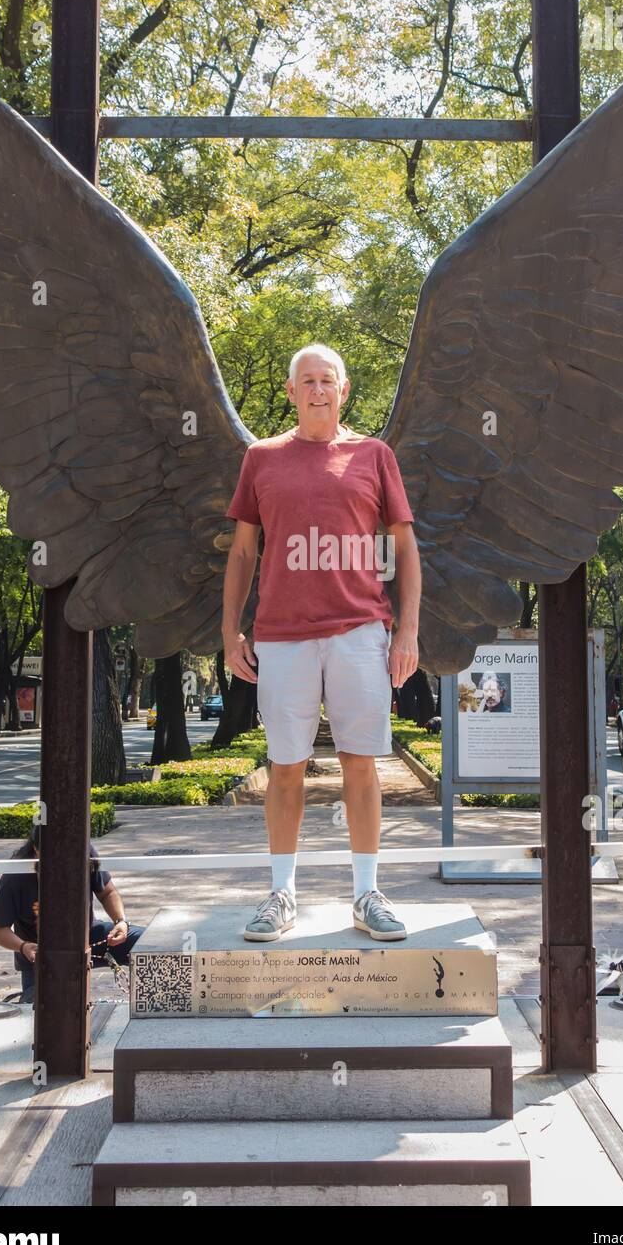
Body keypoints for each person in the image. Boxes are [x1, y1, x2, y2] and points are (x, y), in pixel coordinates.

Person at [223, 342, 421, 943]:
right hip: (281, 637)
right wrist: (229, 630)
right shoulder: (261, 458)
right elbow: (241, 552)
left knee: (362, 766)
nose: (317, 390)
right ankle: (280, 894)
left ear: (344, 389)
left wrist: (406, 630)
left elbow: (405, 549)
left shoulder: (374, 455)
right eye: (306, 381)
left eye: (326, 380)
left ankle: (367, 895)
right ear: (290, 392)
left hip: (361, 632)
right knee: (286, 768)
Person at [0, 826, 144, 1004]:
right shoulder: (15, 876)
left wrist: (121, 921)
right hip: (40, 953)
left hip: (89, 937)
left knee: (149, 945)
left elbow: (107, 893)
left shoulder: (86, 855)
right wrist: (23, 947)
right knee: (43, 1010)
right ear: (36, 850)